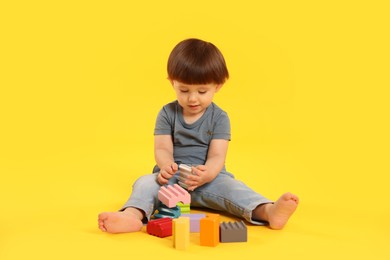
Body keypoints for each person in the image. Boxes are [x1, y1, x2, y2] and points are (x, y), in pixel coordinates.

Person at [98, 38, 299, 234]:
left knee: (234, 188)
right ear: (172, 83)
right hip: (171, 181)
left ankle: (268, 211)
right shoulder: (167, 113)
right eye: (184, 90)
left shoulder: (219, 117)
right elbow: (162, 148)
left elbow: (217, 156)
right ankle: (132, 216)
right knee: (144, 183)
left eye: (202, 91)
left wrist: (208, 174)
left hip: (210, 179)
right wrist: (166, 164)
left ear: (218, 86)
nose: (192, 98)